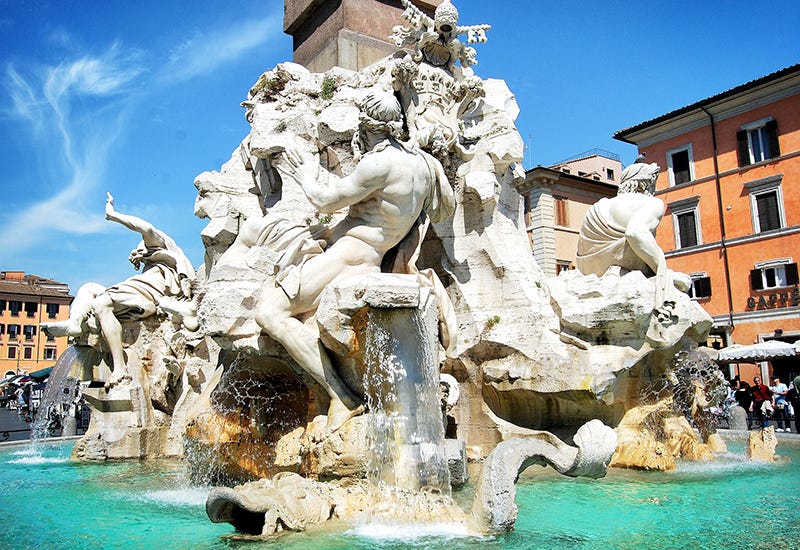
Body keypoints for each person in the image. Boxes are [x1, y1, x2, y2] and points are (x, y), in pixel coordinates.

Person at [248, 90, 455, 434]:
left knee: (269, 312)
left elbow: (324, 200)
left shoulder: (379, 163)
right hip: (371, 256)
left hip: (349, 256)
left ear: (366, 126)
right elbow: (439, 209)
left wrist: (306, 174)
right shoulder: (422, 164)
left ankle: (342, 396)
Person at [42, 193, 197, 389]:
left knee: (101, 302)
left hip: (147, 297)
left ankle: (120, 368)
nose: (136, 251)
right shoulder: (149, 267)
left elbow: (147, 228)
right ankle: (75, 322)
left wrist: (113, 215)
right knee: (88, 287)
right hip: (132, 295)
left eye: (140, 247)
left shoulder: (163, 253)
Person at [576, 158, 690, 319]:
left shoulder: (598, 206)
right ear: (647, 183)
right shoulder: (652, 203)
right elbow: (635, 233)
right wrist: (663, 273)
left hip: (591, 272)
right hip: (628, 271)